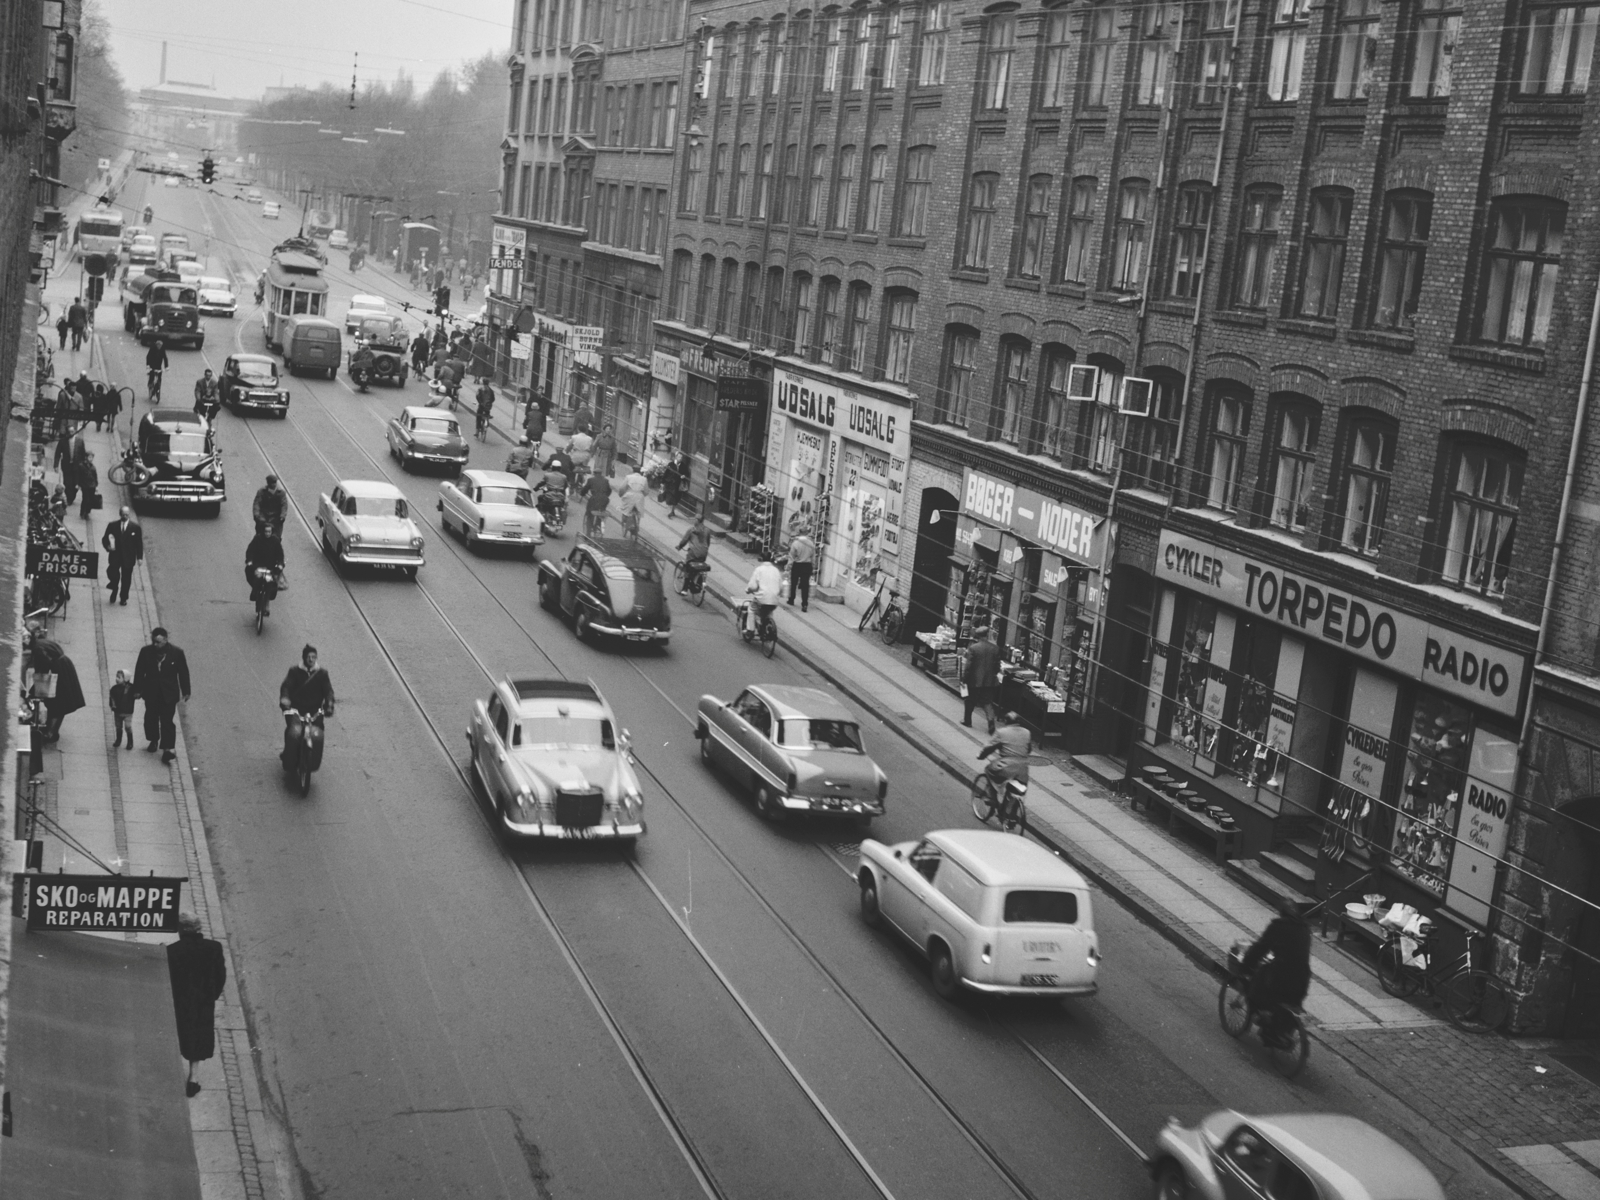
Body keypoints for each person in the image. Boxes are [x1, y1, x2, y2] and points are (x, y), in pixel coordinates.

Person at [166, 912, 226, 1098]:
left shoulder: (172, 950)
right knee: (198, 1035)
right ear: (199, 928)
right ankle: (194, 1077)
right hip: (203, 1001)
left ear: (181, 929)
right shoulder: (214, 948)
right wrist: (211, 995)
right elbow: (220, 976)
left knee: (179, 1033)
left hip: (179, 1001)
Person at [1239, 900, 1312, 1048]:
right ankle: (1279, 1029)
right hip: (1302, 977)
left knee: (1257, 986)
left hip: (1282, 974)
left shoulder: (1278, 926)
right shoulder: (1305, 928)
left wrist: (1247, 964)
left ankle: (1265, 1021)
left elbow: (1261, 947)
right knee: (1289, 1002)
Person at [133, 626, 191, 762]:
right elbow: (140, 671)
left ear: (165, 640)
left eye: (158, 642)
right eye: (153, 641)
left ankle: (168, 748)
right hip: (151, 691)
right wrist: (137, 689)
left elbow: (183, 672)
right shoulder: (146, 652)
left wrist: (186, 690)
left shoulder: (176, 653)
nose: (155, 644)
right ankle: (153, 739)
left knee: (167, 721)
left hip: (168, 693)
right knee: (151, 718)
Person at [26, 622, 86, 743]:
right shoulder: (42, 643)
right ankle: (52, 731)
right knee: (61, 704)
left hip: (59, 671)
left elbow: (43, 668)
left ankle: (50, 732)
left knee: (57, 704)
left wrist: (34, 689)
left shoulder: (37, 648)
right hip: (64, 667)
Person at [279, 644, 335, 766]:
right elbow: (286, 687)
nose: (311, 659)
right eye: (309, 657)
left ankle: (314, 758)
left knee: (318, 733)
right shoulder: (294, 671)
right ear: (304, 657)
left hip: (315, 711)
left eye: (314, 657)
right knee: (292, 732)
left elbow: (328, 691)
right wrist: (285, 699)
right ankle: (288, 754)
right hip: (296, 710)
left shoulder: (322, 673)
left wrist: (329, 704)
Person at [977, 711, 1033, 790]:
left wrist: (981, 755)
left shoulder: (1001, 732)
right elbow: (1029, 749)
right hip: (1023, 767)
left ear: (1006, 721)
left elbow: (989, 747)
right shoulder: (1027, 732)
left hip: (1006, 765)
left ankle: (991, 795)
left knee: (989, 770)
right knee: (1021, 786)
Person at [962, 626, 1002, 733]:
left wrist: (964, 679)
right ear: (987, 635)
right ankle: (991, 722)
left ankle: (967, 721)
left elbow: (968, 667)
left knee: (970, 700)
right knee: (987, 702)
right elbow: (997, 667)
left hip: (974, 680)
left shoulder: (973, 648)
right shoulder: (995, 648)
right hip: (989, 681)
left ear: (977, 636)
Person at [102, 505, 143, 605]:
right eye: (123, 514)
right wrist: (108, 547)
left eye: (127, 515)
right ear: (120, 514)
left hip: (128, 557)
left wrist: (139, 557)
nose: (125, 516)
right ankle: (114, 589)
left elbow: (139, 543)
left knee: (126, 579)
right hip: (115, 556)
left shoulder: (135, 528)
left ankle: (123, 597)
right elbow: (105, 539)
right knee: (112, 574)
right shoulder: (112, 525)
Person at [245, 524, 285, 615]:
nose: (267, 533)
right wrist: (250, 561)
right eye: (266, 531)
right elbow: (250, 551)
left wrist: (280, 564)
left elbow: (280, 555)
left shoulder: (275, 541)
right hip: (258, 566)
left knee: (270, 584)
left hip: (270, 567)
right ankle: (255, 591)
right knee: (255, 577)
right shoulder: (257, 539)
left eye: (269, 532)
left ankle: (266, 604)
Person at [744, 549, 783, 634]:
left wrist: (748, 590)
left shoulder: (759, 569)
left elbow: (753, 586)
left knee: (751, 609)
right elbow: (781, 586)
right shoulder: (776, 570)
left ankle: (750, 630)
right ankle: (769, 628)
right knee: (769, 612)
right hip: (774, 599)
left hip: (762, 598)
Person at [676, 513, 711, 592]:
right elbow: (708, 543)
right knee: (699, 566)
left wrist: (679, 546)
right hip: (703, 554)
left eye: (694, 519)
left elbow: (684, 541)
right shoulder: (707, 530)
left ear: (697, 520)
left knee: (688, 568)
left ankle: (685, 589)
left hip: (693, 554)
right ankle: (699, 582)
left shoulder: (691, 530)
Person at [786, 530, 816, 611]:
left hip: (797, 565)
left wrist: (788, 567)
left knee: (794, 583)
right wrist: (813, 567)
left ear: (799, 533)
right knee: (805, 585)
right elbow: (813, 557)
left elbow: (791, 556)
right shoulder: (811, 544)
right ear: (806, 533)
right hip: (807, 565)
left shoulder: (795, 543)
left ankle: (791, 599)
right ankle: (804, 604)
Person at [109, 668, 137, 750]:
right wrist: (113, 705)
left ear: (125, 679)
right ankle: (118, 740)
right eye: (116, 677)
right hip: (117, 712)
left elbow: (136, 693)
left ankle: (130, 741)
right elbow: (112, 698)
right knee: (118, 726)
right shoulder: (114, 689)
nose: (116, 679)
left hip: (128, 712)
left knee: (128, 726)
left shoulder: (131, 688)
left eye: (119, 677)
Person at [617, 467, 647, 536]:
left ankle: (625, 521)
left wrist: (621, 494)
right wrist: (642, 495)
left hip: (629, 496)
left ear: (633, 470)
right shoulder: (644, 479)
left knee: (625, 510)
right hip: (639, 497)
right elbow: (646, 491)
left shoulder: (628, 477)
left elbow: (622, 488)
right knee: (638, 511)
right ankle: (637, 523)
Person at [582, 468, 611, 536]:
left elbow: (585, 489)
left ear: (594, 473)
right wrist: (605, 496)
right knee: (601, 511)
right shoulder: (606, 480)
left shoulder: (591, 480)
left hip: (594, 498)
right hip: (604, 499)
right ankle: (598, 525)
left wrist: (582, 493)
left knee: (590, 513)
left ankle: (588, 532)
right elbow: (609, 491)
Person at [76, 450, 98, 520]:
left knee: (91, 500)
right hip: (85, 485)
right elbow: (78, 476)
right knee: (85, 499)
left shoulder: (93, 467)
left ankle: (87, 512)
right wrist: (78, 484)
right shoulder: (81, 466)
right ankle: (82, 512)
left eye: (92, 458)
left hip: (92, 486)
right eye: (89, 457)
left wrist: (96, 485)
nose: (91, 459)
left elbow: (95, 477)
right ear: (86, 457)